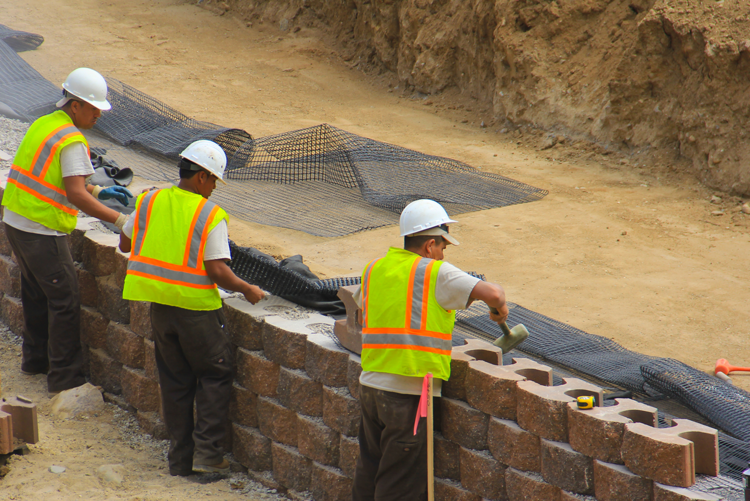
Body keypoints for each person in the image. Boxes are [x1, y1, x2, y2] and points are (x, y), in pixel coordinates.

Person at [118, 139, 265, 476]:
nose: (214, 188)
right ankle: (208, 457)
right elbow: (216, 270)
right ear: (201, 177)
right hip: (197, 312)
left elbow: (126, 242)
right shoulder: (208, 214)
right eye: (214, 180)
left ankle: (180, 460)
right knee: (215, 374)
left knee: (175, 382)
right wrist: (247, 288)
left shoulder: (149, 199)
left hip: (161, 310)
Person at [351, 199, 509, 501]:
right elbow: (495, 292)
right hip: (408, 393)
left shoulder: (374, 269)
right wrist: (498, 308)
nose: (442, 254)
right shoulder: (434, 272)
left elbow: (365, 312)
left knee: (369, 471)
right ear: (429, 245)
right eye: (442, 248)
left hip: (371, 385)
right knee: (400, 484)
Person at [1, 67, 133, 394]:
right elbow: (73, 193)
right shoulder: (72, 139)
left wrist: (100, 192)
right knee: (64, 298)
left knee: (35, 293)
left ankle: (35, 362)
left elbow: (62, 178)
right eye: (93, 108)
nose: (98, 115)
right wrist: (121, 222)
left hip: (16, 221)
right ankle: (65, 378)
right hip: (41, 229)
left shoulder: (45, 124)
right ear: (75, 105)